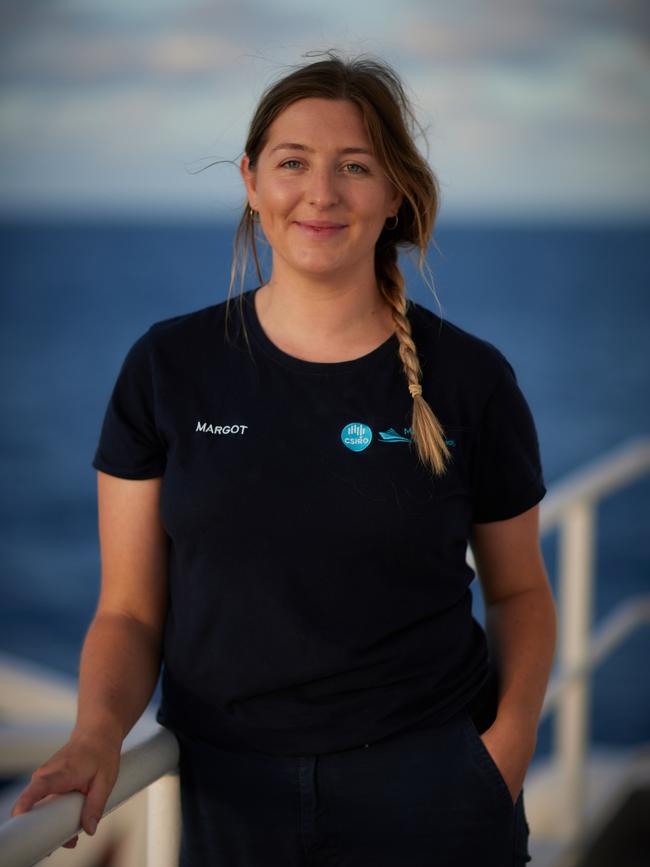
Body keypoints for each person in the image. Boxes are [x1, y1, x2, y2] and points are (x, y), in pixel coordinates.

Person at [11, 51, 557, 866]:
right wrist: (96, 734)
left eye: (355, 166)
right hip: (230, 795)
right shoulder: (169, 367)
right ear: (251, 181)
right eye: (293, 162)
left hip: (435, 790)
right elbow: (127, 610)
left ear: (394, 191)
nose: (322, 192)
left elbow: (518, 591)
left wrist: (504, 750)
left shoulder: (471, 379)